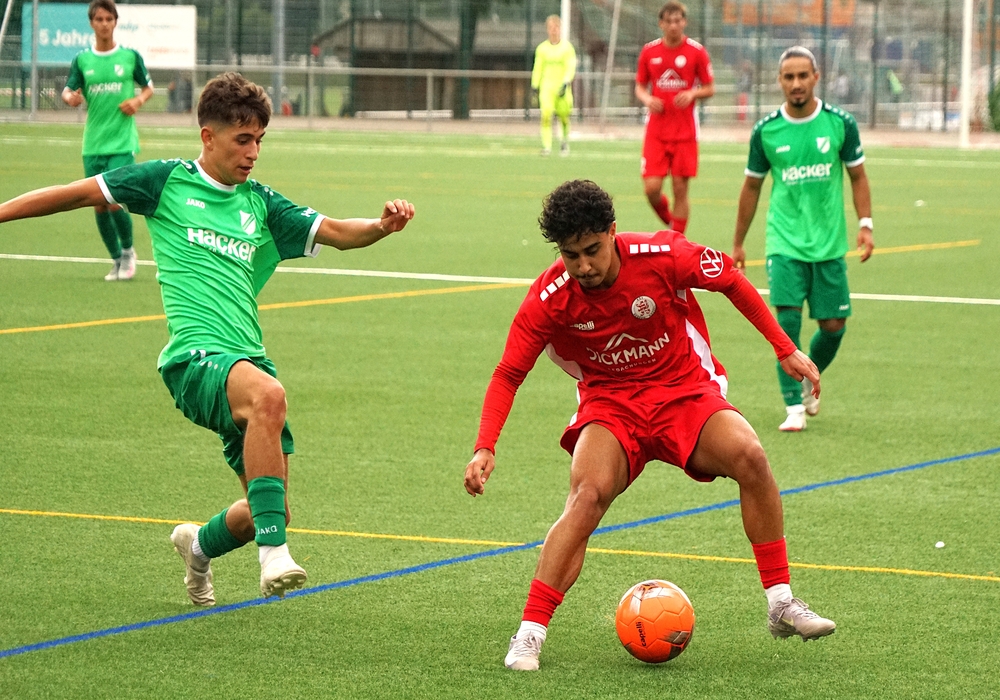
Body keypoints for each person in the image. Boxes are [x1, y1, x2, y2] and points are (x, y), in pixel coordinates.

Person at [1, 72, 415, 605]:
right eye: (243, 140)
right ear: (208, 136)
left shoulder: (261, 204)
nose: (253, 153)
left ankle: (198, 547)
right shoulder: (166, 182)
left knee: (266, 510)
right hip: (194, 361)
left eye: (260, 141)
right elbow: (76, 194)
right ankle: (275, 558)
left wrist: (382, 226)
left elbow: (338, 232)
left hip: (245, 361)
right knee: (270, 397)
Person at [464, 179, 836, 672]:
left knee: (751, 456)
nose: (584, 267)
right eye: (571, 255)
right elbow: (508, 372)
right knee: (587, 496)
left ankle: (782, 603)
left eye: (592, 250)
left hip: (684, 391)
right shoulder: (551, 296)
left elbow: (730, 278)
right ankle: (530, 633)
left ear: (613, 232)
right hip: (611, 404)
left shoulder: (662, 254)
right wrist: (484, 445)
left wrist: (783, 347)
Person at [732, 46, 873, 432]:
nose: (796, 84)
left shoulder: (840, 123)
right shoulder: (766, 131)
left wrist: (866, 223)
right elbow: (751, 187)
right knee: (787, 323)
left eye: (802, 76)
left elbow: (858, 176)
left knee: (832, 327)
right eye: (788, 77)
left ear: (816, 76)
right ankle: (793, 406)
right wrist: (739, 241)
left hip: (828, 244)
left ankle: (810, 376)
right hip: (784, 242)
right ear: (779, 81)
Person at [61, 0, 154, 282]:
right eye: (99, 19)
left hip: (122, 143)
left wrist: (138, 100)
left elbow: (148, 87)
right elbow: (68, 90)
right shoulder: (82, 60)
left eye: (109, 19)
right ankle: (116, 259)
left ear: (115, 22)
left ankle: (128, 252)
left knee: (114, 200)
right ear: (91, 23)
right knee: (98, 204)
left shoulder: (129, 57)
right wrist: (70, 98)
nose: (104, 24)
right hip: (93, 144)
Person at [634, 1, 714, 233]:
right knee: (651, 189)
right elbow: (639, 86)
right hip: (657, 132)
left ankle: (675, 241)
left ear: (684, 22)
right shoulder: (650, 51)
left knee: (680, 188)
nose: (673, 25)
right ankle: (672, 225)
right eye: (668, 21)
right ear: (661, 24)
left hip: (685, 132)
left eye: (677, 20)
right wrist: (648, 99)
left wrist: (692, 93)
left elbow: (710, 88)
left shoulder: (696, 52)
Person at [531, 15, 577, 157]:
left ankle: (564, 142)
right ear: (547, 30)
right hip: (547, 87)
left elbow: (570, 67)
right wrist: (535, 85)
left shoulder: (567, 48)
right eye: (551, 28)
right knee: (546, 115)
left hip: (562, 87)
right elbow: (538, 67)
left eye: (556, 27)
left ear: (560, 29)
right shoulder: (542, 49)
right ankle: (546, 146)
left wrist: (566, 82)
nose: (553, 30)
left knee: (564, 116)